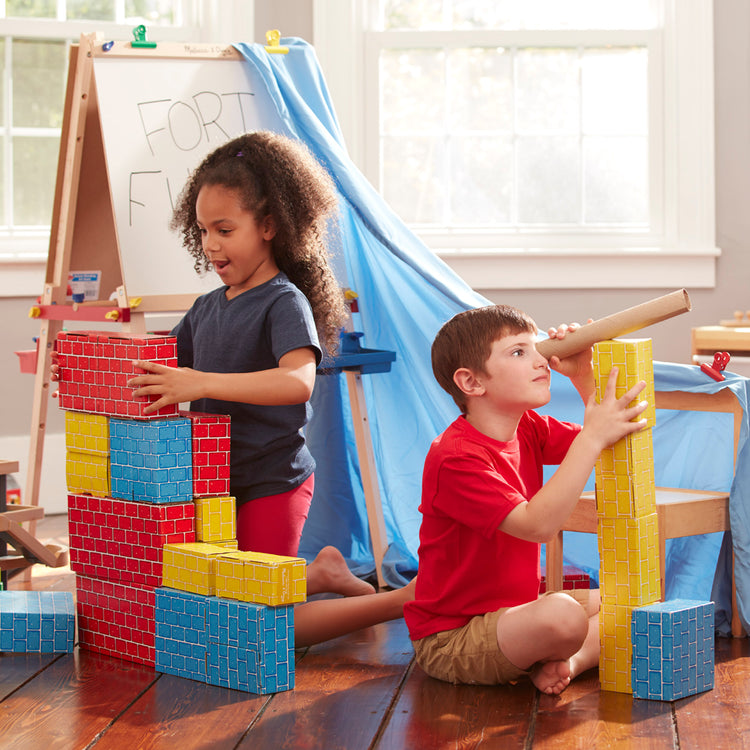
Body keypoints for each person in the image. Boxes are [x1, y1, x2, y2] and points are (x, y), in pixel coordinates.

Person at [403, 304, 648, 694]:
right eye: (519, 353)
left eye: (536, 348)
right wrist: (591, 437)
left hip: (516, 614)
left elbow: (607, 441)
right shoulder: (455, 457)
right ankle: (559, 651)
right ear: (471, 382)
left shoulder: (528, 427)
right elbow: (537, 525)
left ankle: (568, 662)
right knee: (564, 618)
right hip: (452, 638)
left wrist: (584, 376)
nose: (541, 361)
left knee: (633, 599)